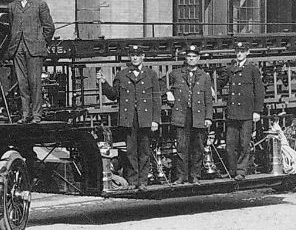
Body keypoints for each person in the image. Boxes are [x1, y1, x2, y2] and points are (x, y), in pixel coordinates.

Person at [101, 47, 163, 187]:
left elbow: (156, 99)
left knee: (144, 151)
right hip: (129, 119)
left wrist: (155, 120)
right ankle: (133, 181)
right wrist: (104, 83)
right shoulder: (122, 75)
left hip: (145, 118)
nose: (135, 58)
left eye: (138, 55)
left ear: (143, 56)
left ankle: (143, 181)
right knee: (131, 151)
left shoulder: (151, 74)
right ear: (129, 57)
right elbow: (113, 95)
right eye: (132, 55)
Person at [7, 0, 56, 122]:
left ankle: (36, 115)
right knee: (22, 84)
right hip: (18, 49)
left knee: (35, 83)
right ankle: (25, 114)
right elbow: (11, 27)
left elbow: (49, 27)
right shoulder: (12, 6)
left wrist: (40, 41)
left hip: (34, 50)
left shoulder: (40, 4)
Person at [216, 43, 265, 180]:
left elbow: (259, 91)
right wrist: (212, 88)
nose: (239, 54)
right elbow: (221, 82)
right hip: (233, 113)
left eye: (242, 51)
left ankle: (241, 171)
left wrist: (257, 111)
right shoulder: (231, 68)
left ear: (247, 52)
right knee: (230, 145)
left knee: (244, 144)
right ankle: (232, 171)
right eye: (237, 51)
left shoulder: (252, 69)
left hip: (246, 113)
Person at [166, 46, 214, 184]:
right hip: (182, 114)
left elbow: (208, 100)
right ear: (185, 58)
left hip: (198, 116)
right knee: (181, 146)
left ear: (198, 59)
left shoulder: (204, 76)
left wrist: (208, 117)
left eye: (194, 57)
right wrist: (168, 92)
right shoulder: (175, 74)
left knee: (197, 147)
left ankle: (195, 176)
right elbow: (160, 84)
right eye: (189, 56)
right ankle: (181, 176)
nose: (191, 59)